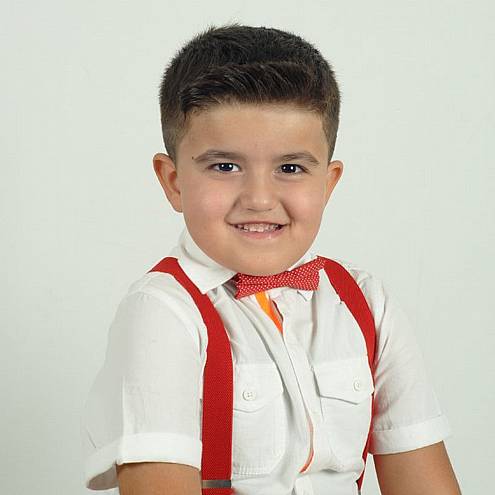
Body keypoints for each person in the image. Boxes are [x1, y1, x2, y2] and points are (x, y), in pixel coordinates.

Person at [81, 24, 461, 495]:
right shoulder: (163, 313)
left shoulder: (366, 304)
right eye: (225, 166)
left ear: (328, 183)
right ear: (173, 182)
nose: (259, 198)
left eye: (290, 168)